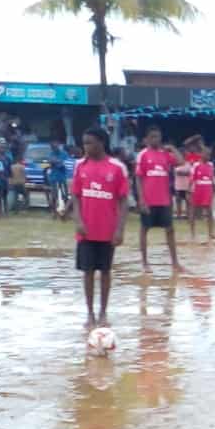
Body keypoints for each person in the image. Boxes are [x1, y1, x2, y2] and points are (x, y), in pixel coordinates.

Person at [65, 126, 129, 327]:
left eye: (89, 142)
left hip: (107, 231)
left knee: (106, 272)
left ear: (101, 143)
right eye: (84, 143)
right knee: (88, 272)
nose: (86, 147)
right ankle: (90, 313)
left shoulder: (116, 168)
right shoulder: (80, 166)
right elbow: (75, 196)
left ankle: (103, 313)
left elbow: (124, 201)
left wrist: (119, 229)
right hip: (86, 230)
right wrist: (78, 221)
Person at [136, 127, 183, 272]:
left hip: (165, 200)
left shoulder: (165, 154)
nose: (156, 139)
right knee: (144, 230)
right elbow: (138, 178)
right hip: (149, 201)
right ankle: (145, 263)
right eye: (153, 137)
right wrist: (141, 200)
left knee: (170, 230)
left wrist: (172, 148)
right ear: (147, 139)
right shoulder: (142, 155)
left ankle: (175, 263)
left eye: (158, 137)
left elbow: (181, 162)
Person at [187, 137, 215, 241]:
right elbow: (191, 180)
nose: (208, 156)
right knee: (194, 211)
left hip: (207, 190)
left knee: (209, 211)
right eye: (206, 154)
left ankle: (211, 233)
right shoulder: (195, 165)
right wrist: (188, 191)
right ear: (201, 154)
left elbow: (212, 179)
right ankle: (192, 233)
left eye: (209, 154)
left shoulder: (211, 165)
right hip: (197, 190)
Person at [173, 151, 193, 220]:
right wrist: (184, 172)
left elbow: (188, 172)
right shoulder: (176, 164)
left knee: (188, 201)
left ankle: (188, 215)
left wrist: (182, 172)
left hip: (186, 186)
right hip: (178, 185)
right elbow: (178, 172)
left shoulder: (188, 164)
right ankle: (179, 215)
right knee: (178, 200)